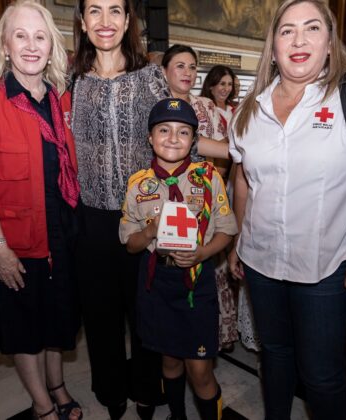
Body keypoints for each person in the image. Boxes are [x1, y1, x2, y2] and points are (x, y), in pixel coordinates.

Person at [226, 1, 346, 418]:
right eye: (286, 31)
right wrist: (237, 240)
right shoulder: (252, 108)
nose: (299, 39)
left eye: (311, 28)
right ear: (272, 47)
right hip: (260, 260)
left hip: (324, 265)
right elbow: (243, 178)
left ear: (330, 41)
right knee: (274, 355)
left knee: (322, 374)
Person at [0, 2, 81, 419]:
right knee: (26, 333)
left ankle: (58, 387)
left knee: (56, 326)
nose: (31, 45)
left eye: (40, 36)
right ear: (5, 44)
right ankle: (42, 405)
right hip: (17, 242)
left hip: (62, 236)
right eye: (20, 35)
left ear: (52, 46)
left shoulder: (61, 101)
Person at [120, 98, 237, 420]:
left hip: (195, 284)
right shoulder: (137, 184)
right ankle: (177, 416)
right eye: (164, 130)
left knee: (199, 370)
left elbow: (227, 231)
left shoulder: (208, 178)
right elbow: (130, 245)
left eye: (183, 132)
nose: (173, 138)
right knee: (169, 362)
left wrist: (203, 253)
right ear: (150, 137)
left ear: (193, 140)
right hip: (157, 282)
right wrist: (149, 231)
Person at [161, 45, 237, 350]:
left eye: (192, 67)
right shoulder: (159, 105)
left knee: (210, 262)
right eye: (179, 66)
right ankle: (178, 340)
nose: (187, 73)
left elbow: (221, 145)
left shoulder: (204, 104)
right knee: (176, 266)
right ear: (165, 70)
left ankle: (214, 335)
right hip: (170, 195)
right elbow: (215, 146)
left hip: (206, 191)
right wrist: (238, 148)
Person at [200, 65, 237, 131]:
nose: (227, 89)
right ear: (211, 86)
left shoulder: (236, 109)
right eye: (222, 84)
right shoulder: (203, 110)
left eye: (230, 84)